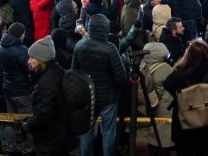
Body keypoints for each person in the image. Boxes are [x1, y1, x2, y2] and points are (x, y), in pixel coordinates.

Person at [73, 13, 127, 156]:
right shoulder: (110, 49)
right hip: (108, 98)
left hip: (87, 97)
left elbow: (74, 73)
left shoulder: (80, 45)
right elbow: (121, 78)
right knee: (108, 132)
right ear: (105, 29)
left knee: (86, 132)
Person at [163, 40, 208, 156]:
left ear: (188, 54)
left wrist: (182, 96)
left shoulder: (180, 72)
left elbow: (167, 84)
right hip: (207, 122)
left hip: (184, 123)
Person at [23, 36, 76, 156]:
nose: (28, 61)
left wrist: (27, 125)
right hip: (62, 137)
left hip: (51, 141)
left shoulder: (47, 84)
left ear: (42, 60)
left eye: (32, 58)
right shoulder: (59, 72)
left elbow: (44, 115)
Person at [0, 22, 32, 154]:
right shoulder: (22, 51)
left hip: (7, 89)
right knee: (28, 121)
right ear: (19, 35)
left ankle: (10, 147)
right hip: (22, 91)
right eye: (23, 33)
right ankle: (28, 149)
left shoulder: (1, 47)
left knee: (9, 121)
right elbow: (29, 70)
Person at [139, 42, 175, 152]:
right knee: (164, 139)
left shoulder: (143, 65)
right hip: (165, 112)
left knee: (154, 138)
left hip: (151, 109)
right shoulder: (166, 69)